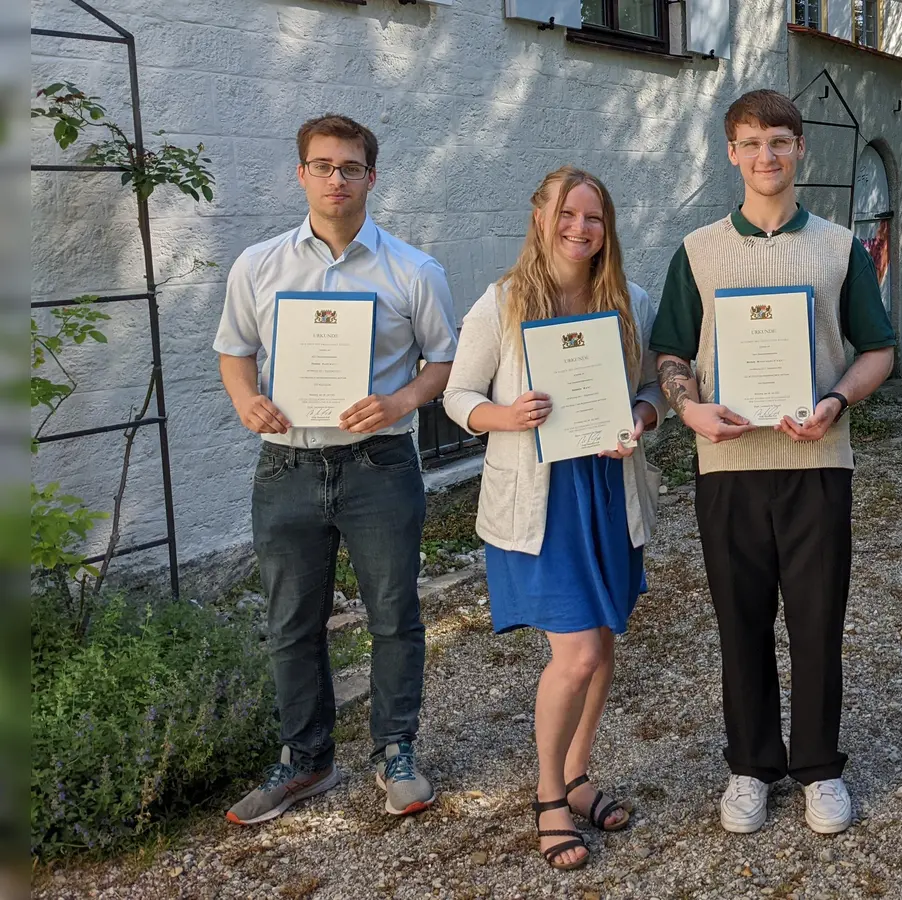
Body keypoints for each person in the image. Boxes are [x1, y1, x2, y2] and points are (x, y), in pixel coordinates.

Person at [651, 89, 897, 835]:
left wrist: (837, 400)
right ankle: (751, 765)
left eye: (781, 142)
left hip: (816, 456)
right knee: (741, 622)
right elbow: (672, 353)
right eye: (752, 143)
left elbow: (878, 349)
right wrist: (687, 406)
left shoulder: (838, 247)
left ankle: (818, 766)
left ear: (800, 151)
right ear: (732, 153)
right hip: (726, 465)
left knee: (819, 621)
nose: (767, 156)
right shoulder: (697, 250)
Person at [215, 114, 457, 824]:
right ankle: (306, 760)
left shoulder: (413, 269)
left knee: (393, 614)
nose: (336, 179)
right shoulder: (258, 265)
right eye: (322, 166)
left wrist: (399, 401)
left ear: (371, 177)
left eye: (350, 167)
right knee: (291, 621)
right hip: (286, 465)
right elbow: (234, 350)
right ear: (301, 174)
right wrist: (244, 401)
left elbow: (442, 363)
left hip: (378, 464)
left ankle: (395, 751)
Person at [442, 166, 663, 871]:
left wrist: (639, 414)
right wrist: (502, 416)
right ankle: (548, 795)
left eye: (593, 218)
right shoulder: (502, 303)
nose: (579, 229)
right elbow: (456, 394)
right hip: (541, 500)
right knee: (578, 654)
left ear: (608, 229)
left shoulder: (632, 300)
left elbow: (653, 388)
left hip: (606, 487)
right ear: (540, 217)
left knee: (603, 642)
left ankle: (577, 773)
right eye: (566, 214)